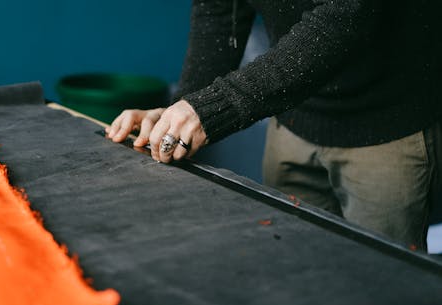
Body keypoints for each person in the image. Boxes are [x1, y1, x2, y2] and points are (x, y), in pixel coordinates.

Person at [107, 0, 442, 251]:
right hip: (293, 117)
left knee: (384, 290)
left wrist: (212, 108)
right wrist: (178, 112)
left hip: (384, 124)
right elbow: (221, 10)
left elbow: (347, 12)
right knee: (294, 268)